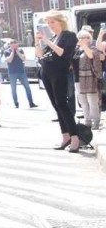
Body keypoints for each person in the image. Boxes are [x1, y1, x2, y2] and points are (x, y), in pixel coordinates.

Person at [37, 10, 80, 151]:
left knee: (62, 103)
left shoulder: (69, 36)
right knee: (56, 105)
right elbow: (40, 54)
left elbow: (62, 52)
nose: (50, 25)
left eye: (52, 22)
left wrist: (47, 40)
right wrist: (38, 42)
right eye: (48, 23)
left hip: (59, 72)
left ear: (60, 21)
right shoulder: (54, 37)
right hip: (47, 72)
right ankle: (65, 135)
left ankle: (74, 136)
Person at [74, 28, 103, 130]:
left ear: (89, 39)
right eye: (80, 37)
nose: (81, 39)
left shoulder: (93, 48)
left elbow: (91, 55)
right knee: (83, 102)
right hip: (77, 79)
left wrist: (84, 45)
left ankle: (96, 122)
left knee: (92, 102)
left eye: (84, 37)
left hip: (90, 79)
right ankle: (87, 121)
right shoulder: (76, 50)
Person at [2, 39, 37, 109]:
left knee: (27, 87)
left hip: (21, 72)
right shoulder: (6, 51)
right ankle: (16, 103)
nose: (15, 45)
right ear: (10, 45)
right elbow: (9, 60)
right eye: (13, 43)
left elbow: (23, 58)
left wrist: (17, 52)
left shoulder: (20, 50)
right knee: (13, 89)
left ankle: (31, 103)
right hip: (12, 73)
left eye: (16, 43)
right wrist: (12, 52)